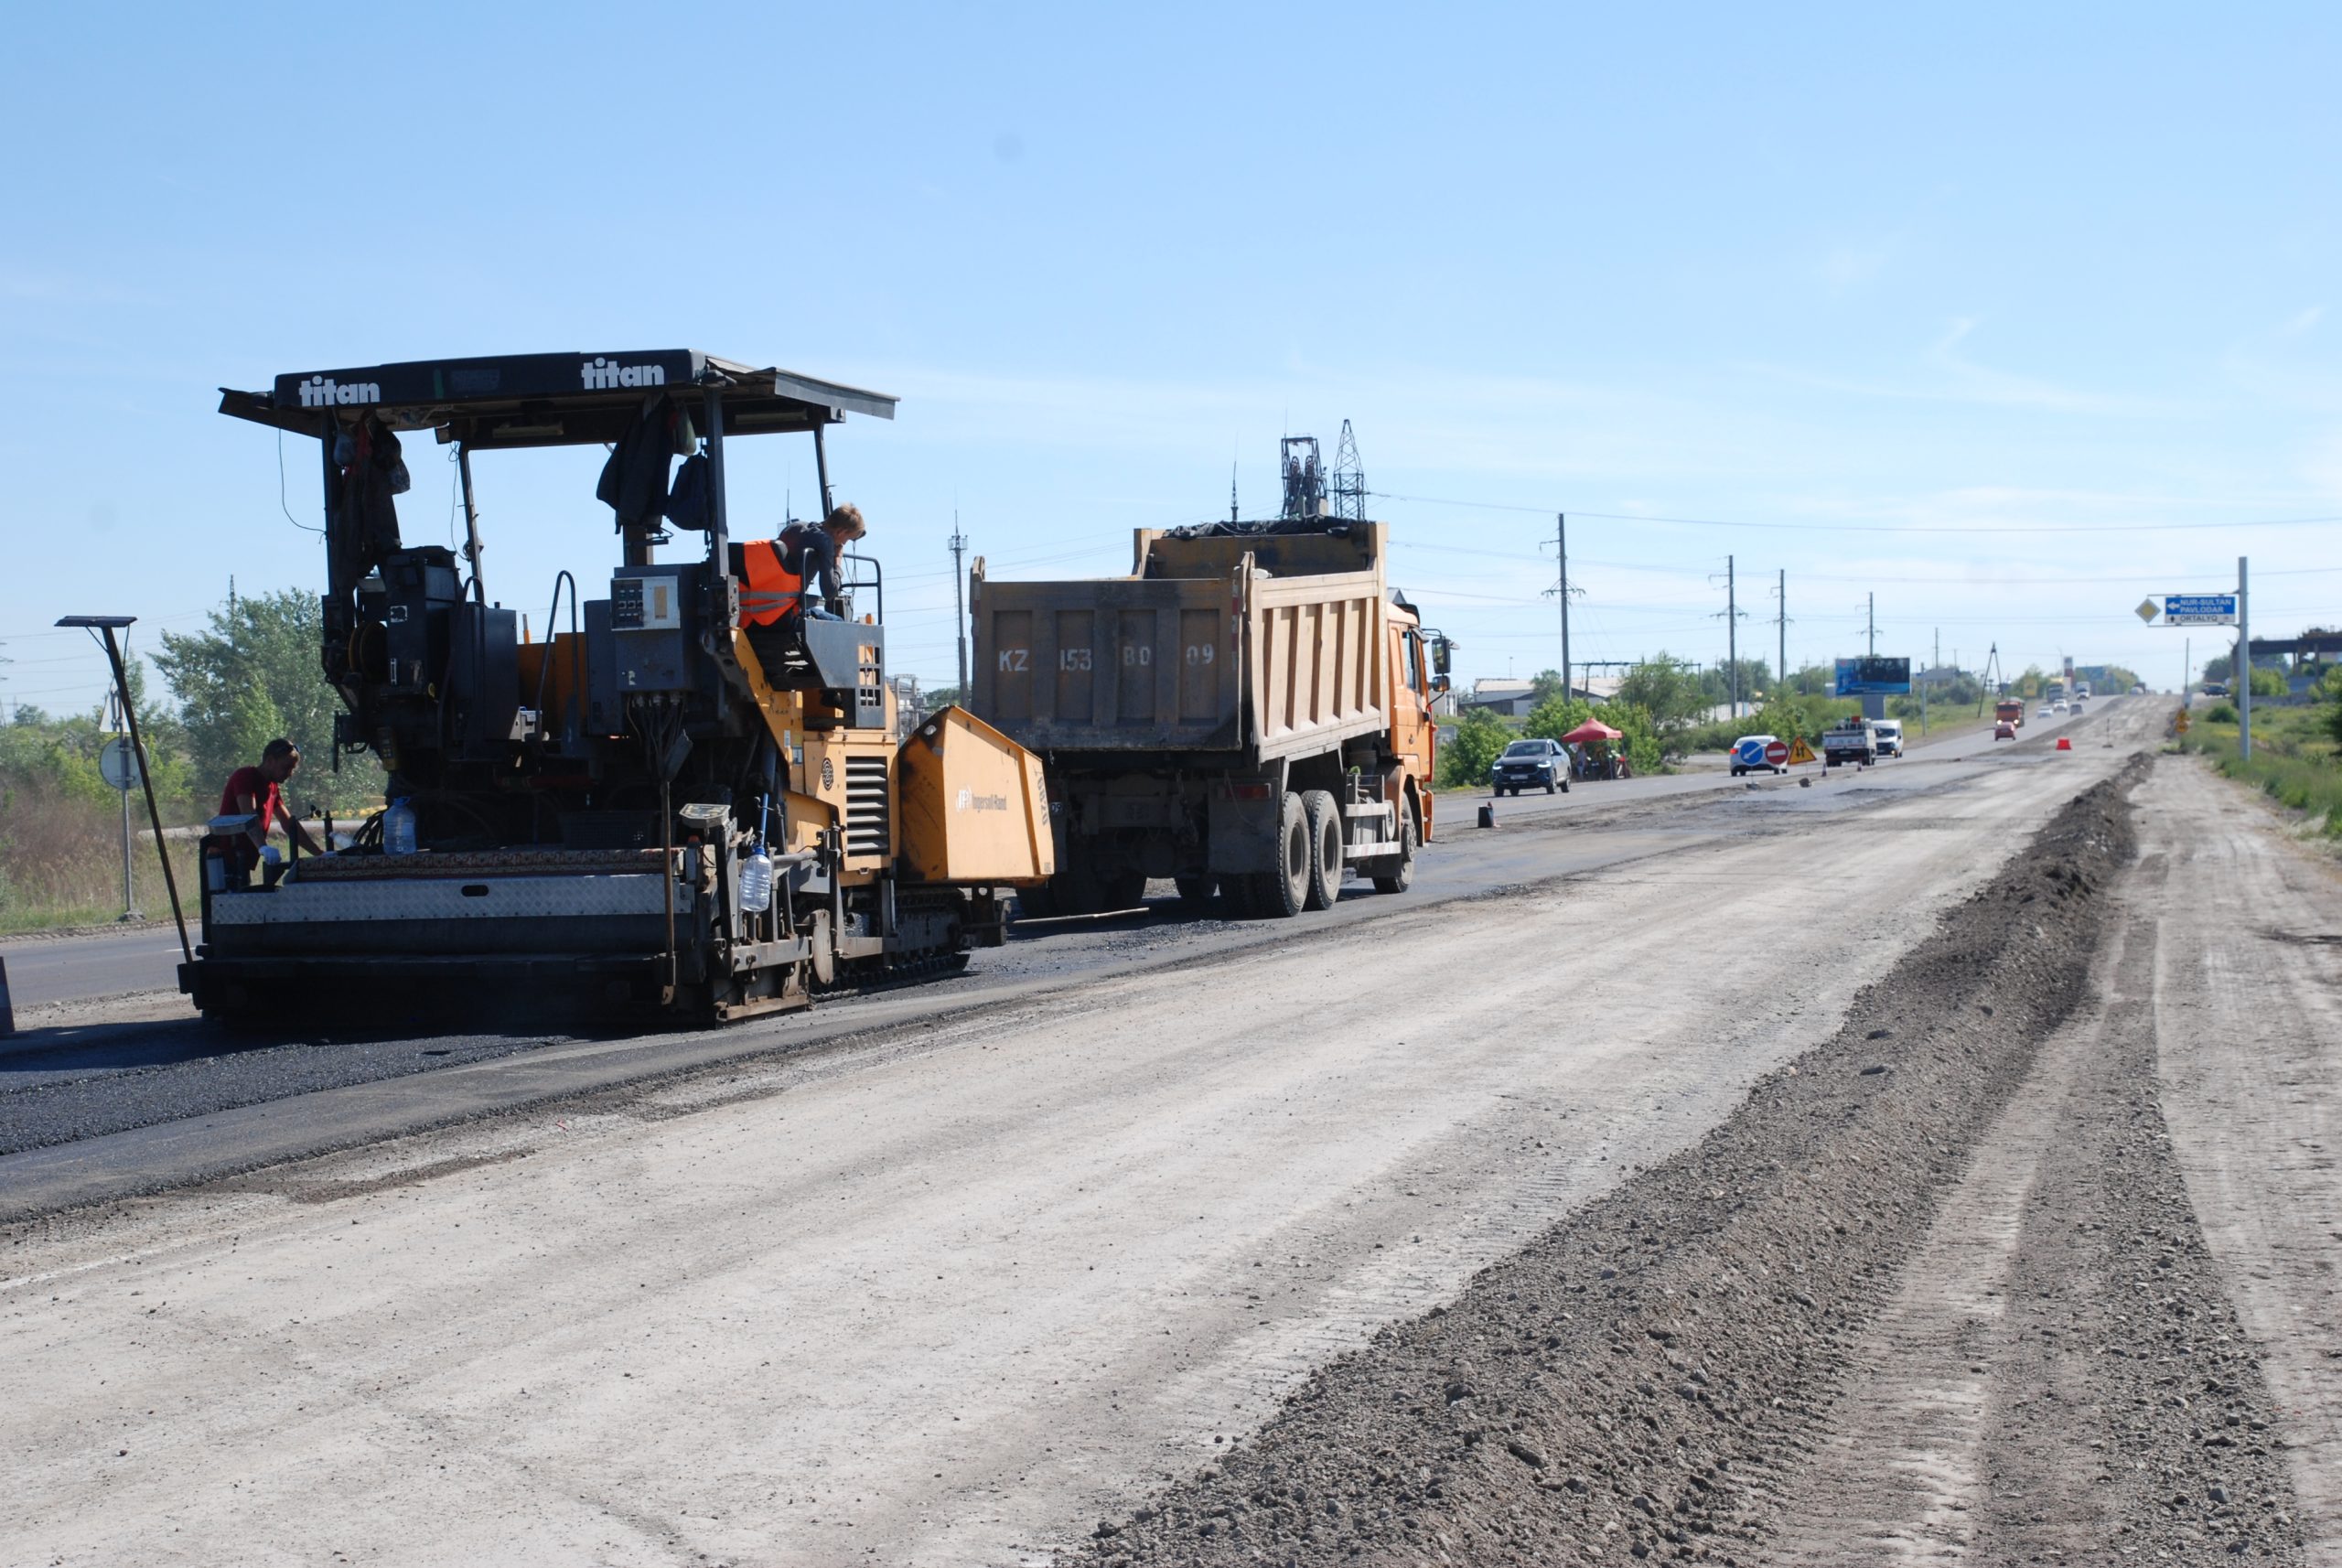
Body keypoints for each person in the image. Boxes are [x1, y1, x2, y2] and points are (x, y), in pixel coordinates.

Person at [737, 503, 867, 627]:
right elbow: (829, 592)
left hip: (754, 607)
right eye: (848, 539)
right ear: (840, 532)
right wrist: (837, 560)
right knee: (839, 623)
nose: (844, 544)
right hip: (786, 610)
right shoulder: (825, 542)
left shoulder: (795, 527)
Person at [219, 738, 324, 884]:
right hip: (223, 859)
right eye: (286, 767)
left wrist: (320, 854)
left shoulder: (272, 787)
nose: (290, 773)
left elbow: (288, 823)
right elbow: (248, 813)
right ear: (270, 761)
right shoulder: (245, 776)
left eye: (292, 768)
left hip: (242, 860)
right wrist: (263, 847)